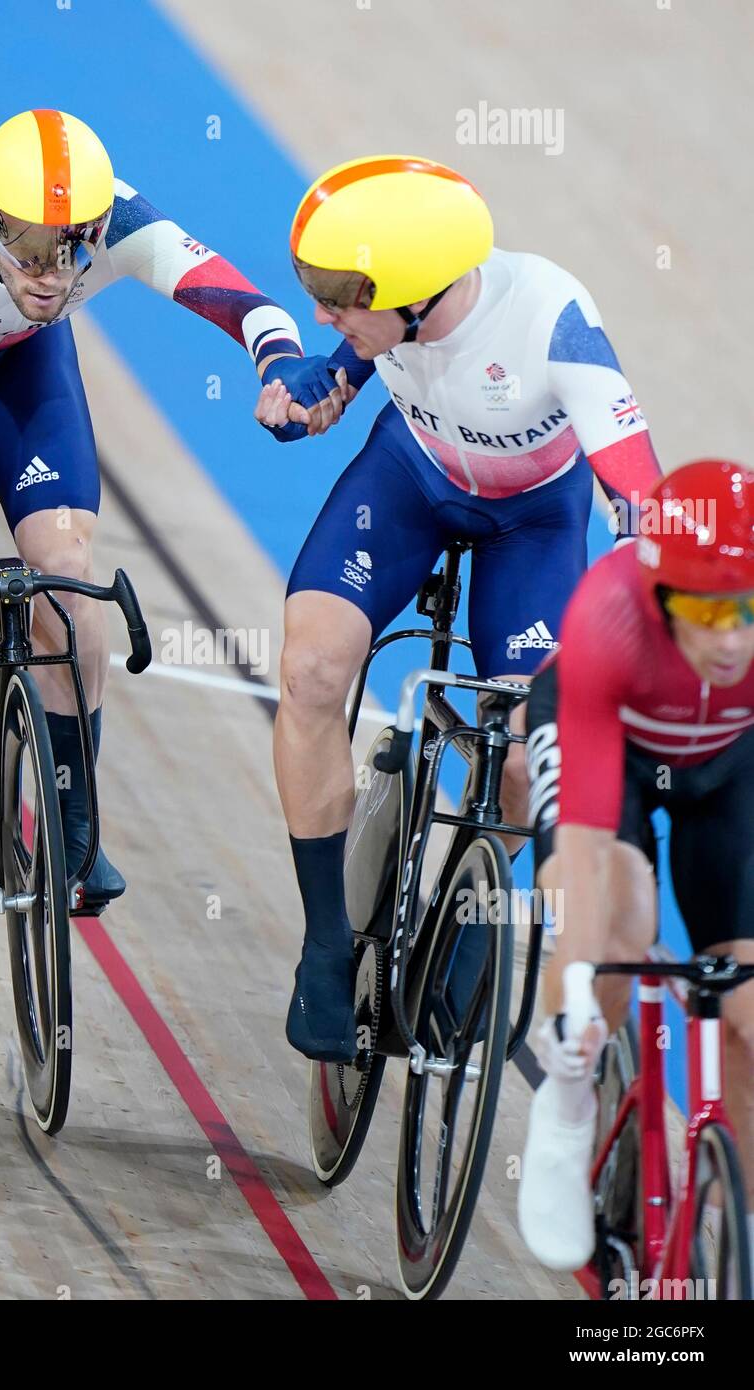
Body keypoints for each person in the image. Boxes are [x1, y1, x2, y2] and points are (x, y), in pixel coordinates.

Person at [0, 108, 332, 902]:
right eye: (28, 247)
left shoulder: (120, 222)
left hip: (21, 361)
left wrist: (284, 364)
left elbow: (250, 306)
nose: (51, 272)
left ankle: (75, 818)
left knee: (65, 574)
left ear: (101, 224)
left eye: (74, 248)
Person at [255, 155, 662, 1061]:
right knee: (312, 670)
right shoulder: (385, 319)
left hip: (532, 524)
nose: (322, 312)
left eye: (336, 295)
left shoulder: (550, 318)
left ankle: (472, 908)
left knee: (525, 754)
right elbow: (340, 367)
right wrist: (307, 402)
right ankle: (326, 945)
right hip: (409, 479)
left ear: (413, 292)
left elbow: (636, 492)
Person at [520, 458, 754, 1269]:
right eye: (707, 609)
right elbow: (582, 846)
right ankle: (566, 1099)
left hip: (726, 766)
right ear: (661, 599)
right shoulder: (606, 620)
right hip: (608, 750)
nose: (730, 636)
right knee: (620, 918)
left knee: (751, 1013)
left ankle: (728, 1238)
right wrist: (577, 982)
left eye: (746, 609)